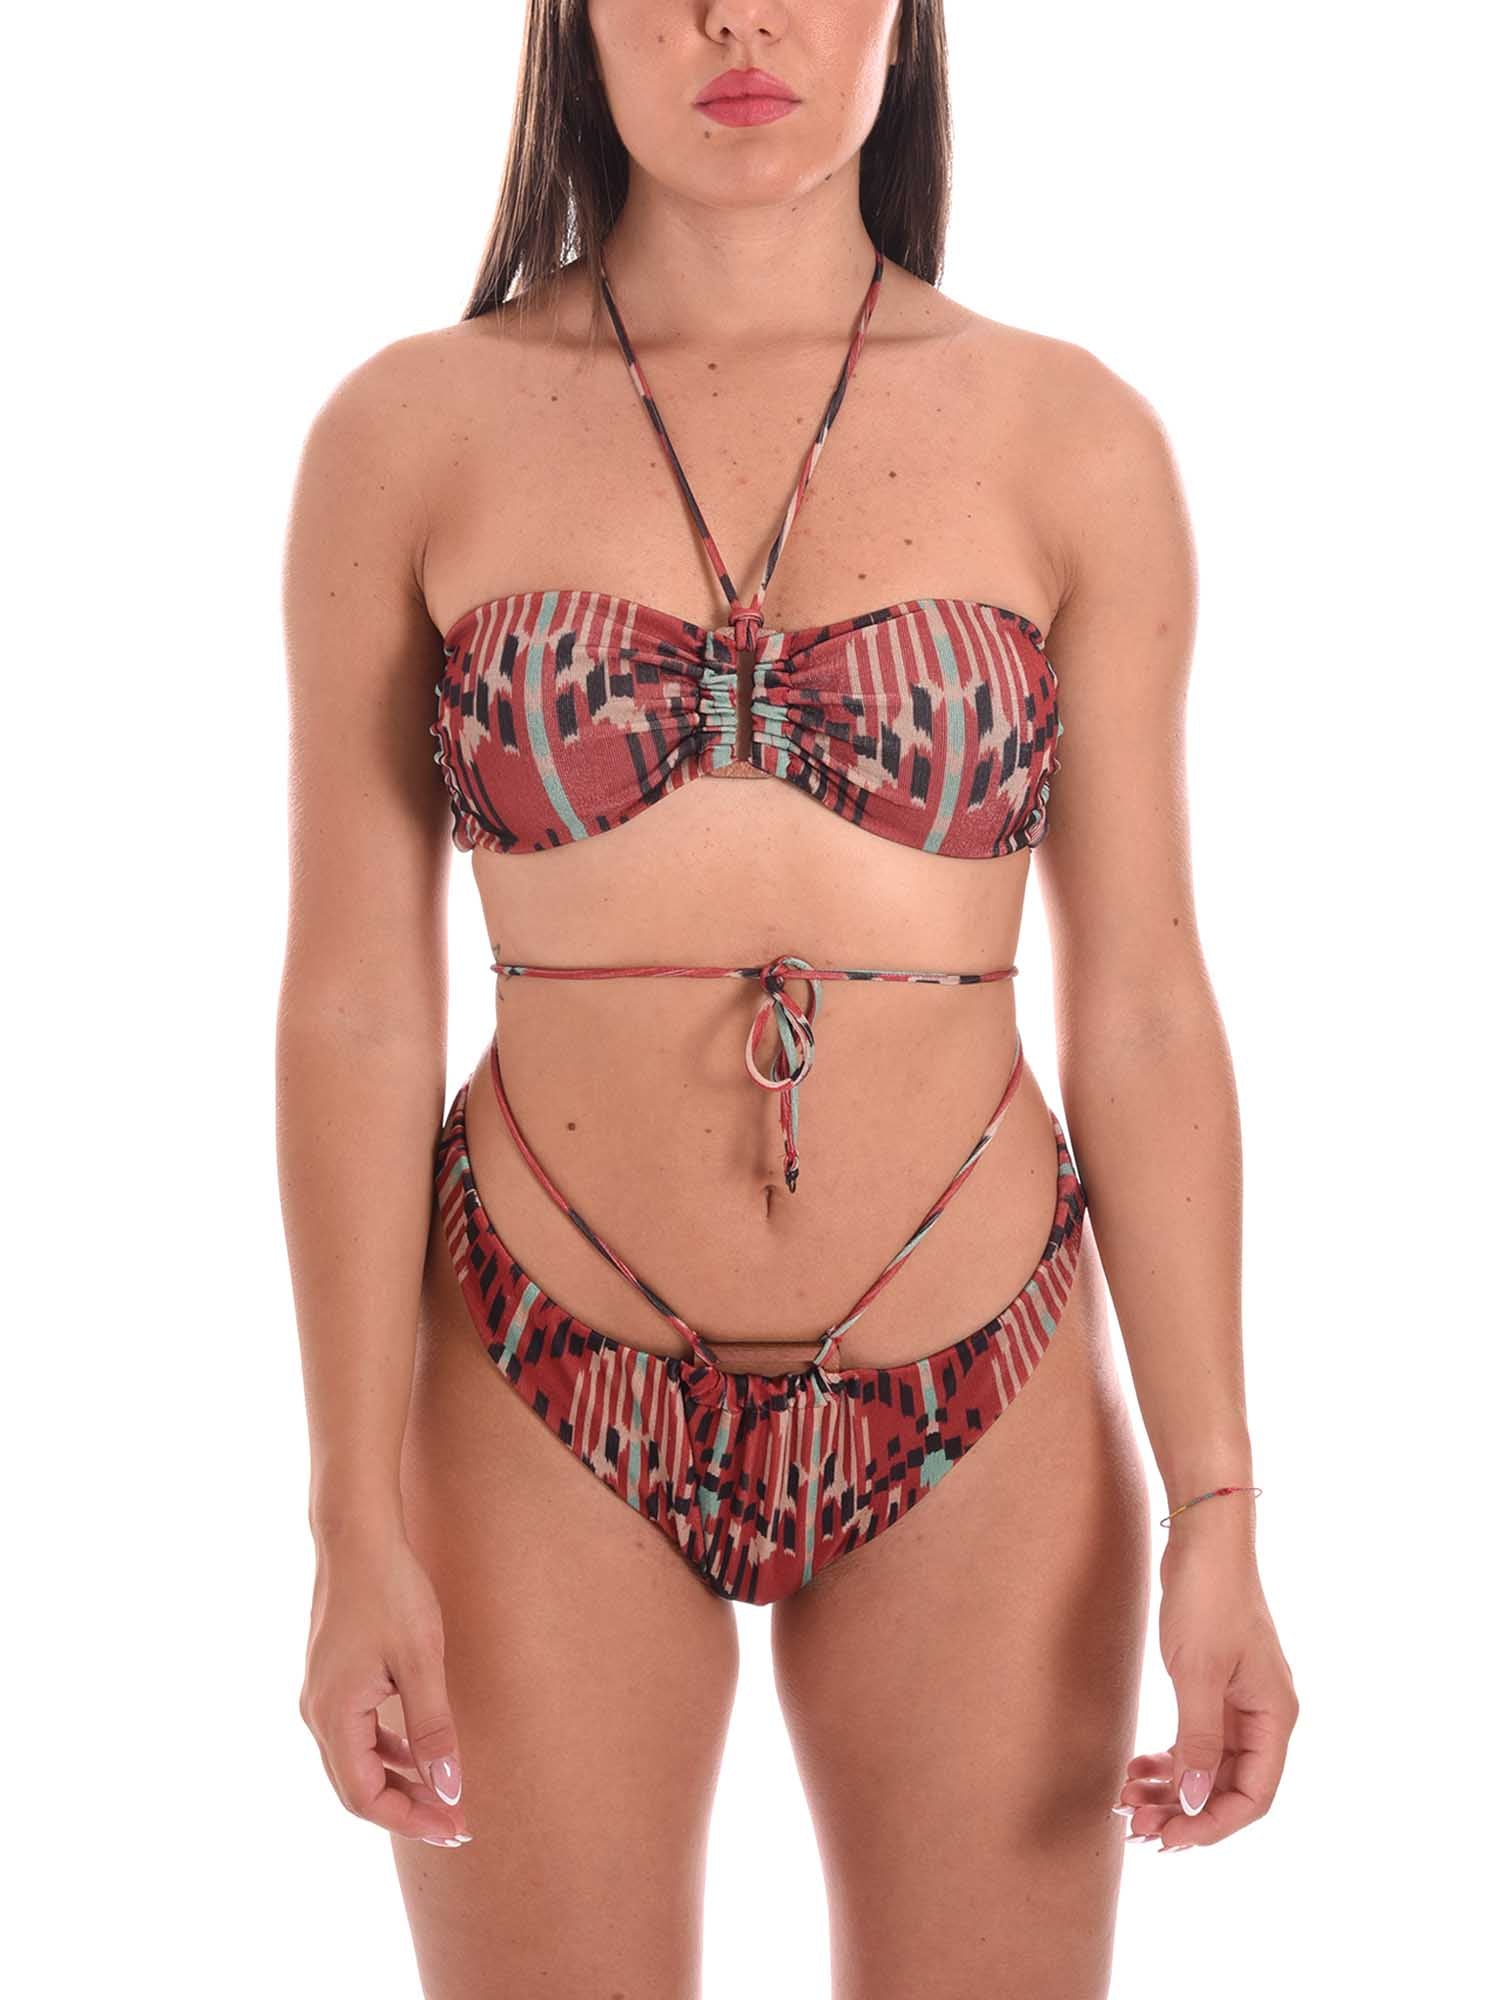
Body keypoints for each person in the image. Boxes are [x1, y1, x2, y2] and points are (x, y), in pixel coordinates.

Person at [277, 3, 1298, 1993]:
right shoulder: (409, 435)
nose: (737, 18)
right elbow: (351, 1012)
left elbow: (1148, 1008)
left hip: (981, 1377)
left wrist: (1222, 1505)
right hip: (533, 1372)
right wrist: (348, 1515)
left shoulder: (1072, 437)